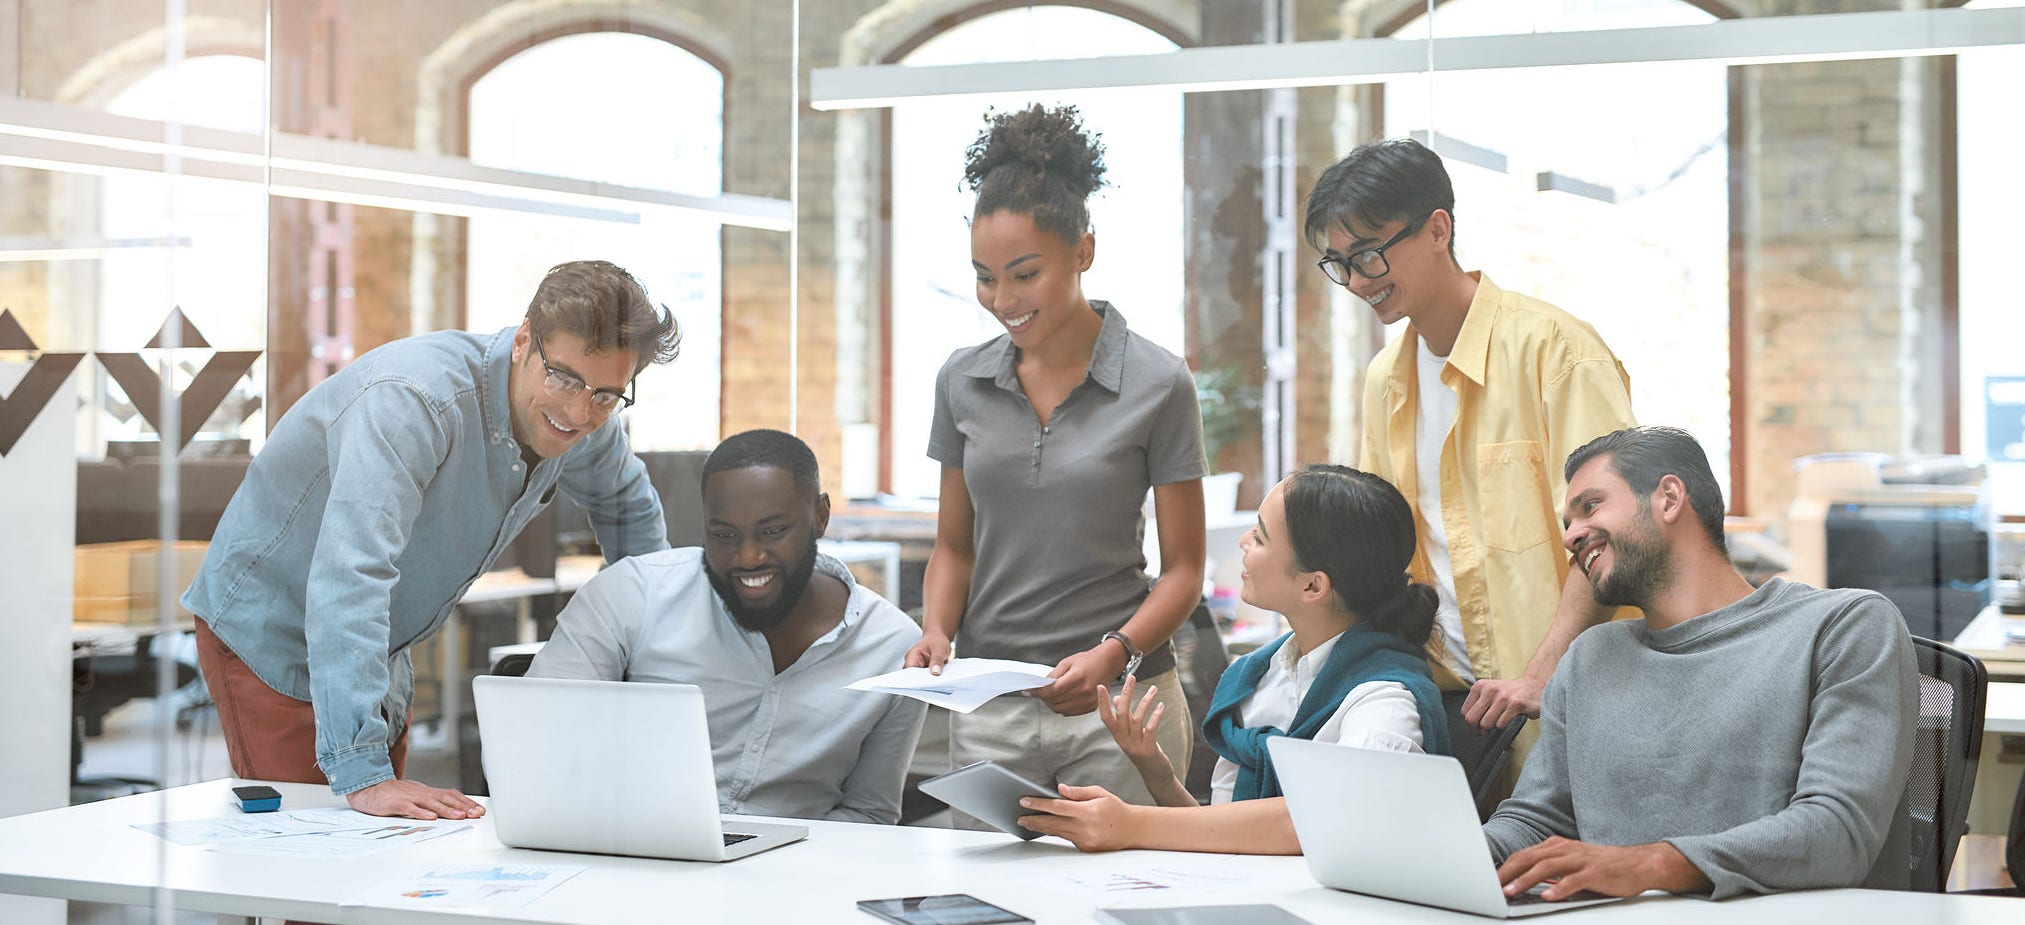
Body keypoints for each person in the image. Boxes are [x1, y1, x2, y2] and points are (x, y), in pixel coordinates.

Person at [184, 260, 680, 820]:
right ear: (523, 342)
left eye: (607, 395)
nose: (578, 411)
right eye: (562, 378)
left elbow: (630, 513)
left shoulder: (587, 413)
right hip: (274, 632)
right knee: (311, 859)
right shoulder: (413, 401)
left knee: (377, 850)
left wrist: (657, 661)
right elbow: (352, 574)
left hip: (377, 643)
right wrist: (363, 770)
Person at [905, 103, 1209, 821]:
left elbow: (1185, 571)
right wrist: (935, 628)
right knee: (985, 897)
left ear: (1083, 250)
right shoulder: (960, 380)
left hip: (1120, 706)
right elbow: (954, 545)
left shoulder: (1157, 382)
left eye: (1024, 273)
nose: (1002, 300)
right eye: (984, 277)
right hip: (990, 706)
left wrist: (1116, 651)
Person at [1486, 426, 1916, 900]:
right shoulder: (1589, 658)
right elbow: (1534, 821)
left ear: (1669, 498)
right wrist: (1443, 850)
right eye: (1568, 522)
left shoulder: (1844, 626)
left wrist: (1649, 863)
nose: (1571, 537)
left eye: (1590, 506)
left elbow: (1837, 833)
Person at [1304, 137, 1638, 732]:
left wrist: (1541, 674)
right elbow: (1385, 551)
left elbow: (1615, 535)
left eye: (1370, 253)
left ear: (1437, 230)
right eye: (1340, 264)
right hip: (1446, 703)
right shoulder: (1387, 379)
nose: (1357, 281)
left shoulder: (1556, 352)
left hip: (1570, 700)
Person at [1017, 464, 1451, 853]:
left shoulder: (1384, 701)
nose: (1244, 541)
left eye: (1260, 536)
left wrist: (1132, 824)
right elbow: (1226, 838)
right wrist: (1159, 776)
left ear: (1313, 587)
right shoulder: (1255, 677)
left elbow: (1322, 820)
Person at [525, 429, 927, 824]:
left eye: (773, 531)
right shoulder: (632, 595)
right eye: (724, 534)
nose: (748, 557)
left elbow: (870, 813)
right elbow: (530, 748)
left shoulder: (893, 647)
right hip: (633, 853)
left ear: (819, 517)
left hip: (796, 874)